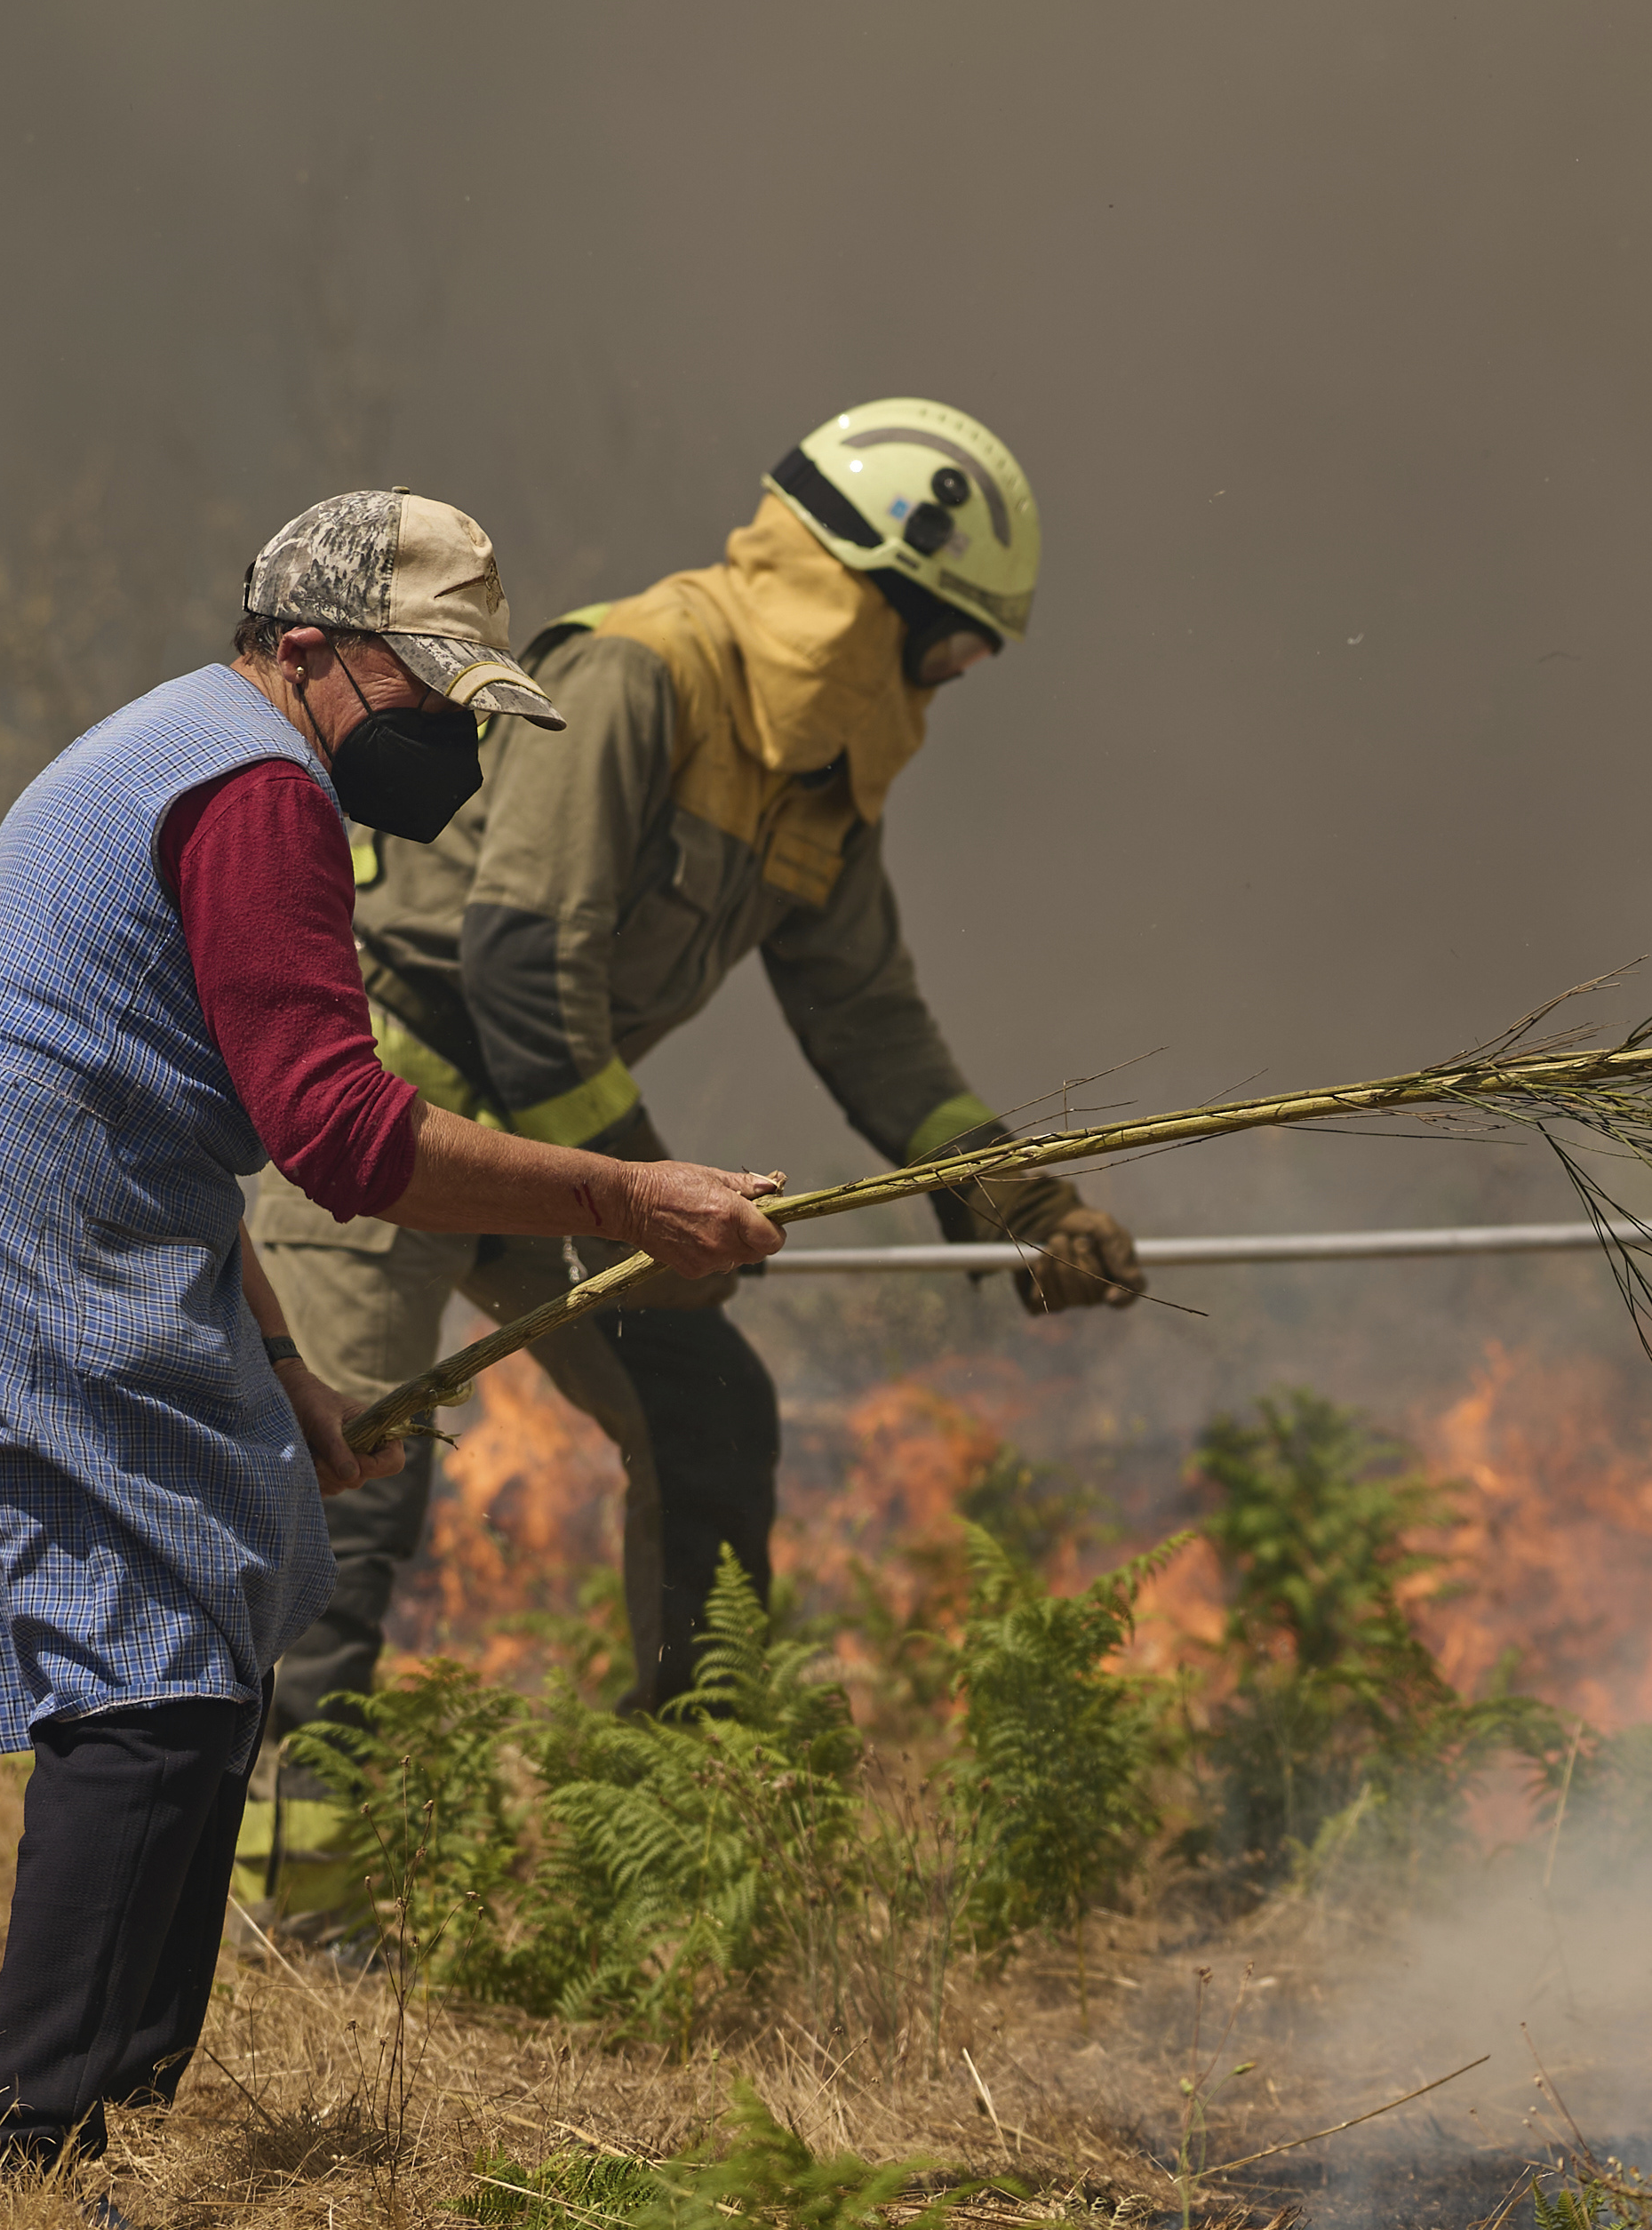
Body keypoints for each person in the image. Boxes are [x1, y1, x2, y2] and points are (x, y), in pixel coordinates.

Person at [0, 487, 786, 2180]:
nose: (444, 740)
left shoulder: (206, 751)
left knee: (193, 1638)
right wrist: (628, 1199)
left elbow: (195, 1124)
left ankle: (94, 2108)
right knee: (147, 1674)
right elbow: (338, 1133)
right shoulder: (256, 790)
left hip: (60, 1201)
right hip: (22, 1217)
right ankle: (23, 2146)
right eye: (422, 693)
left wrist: (280, 1368)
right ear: (312, 649)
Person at [251, 401, 1145, 1743]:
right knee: (351, 1477)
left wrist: (1025, 1206)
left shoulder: (818, 779)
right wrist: (639, 1201)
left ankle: (681, 1808)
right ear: (867, 599)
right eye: (947, 644)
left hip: (553, 1146)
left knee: (709, 1413)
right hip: (393, 1122)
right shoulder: (642, 671)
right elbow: (515, 969)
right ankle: (287, 1897)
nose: (950, 682)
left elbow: (872, 1025)